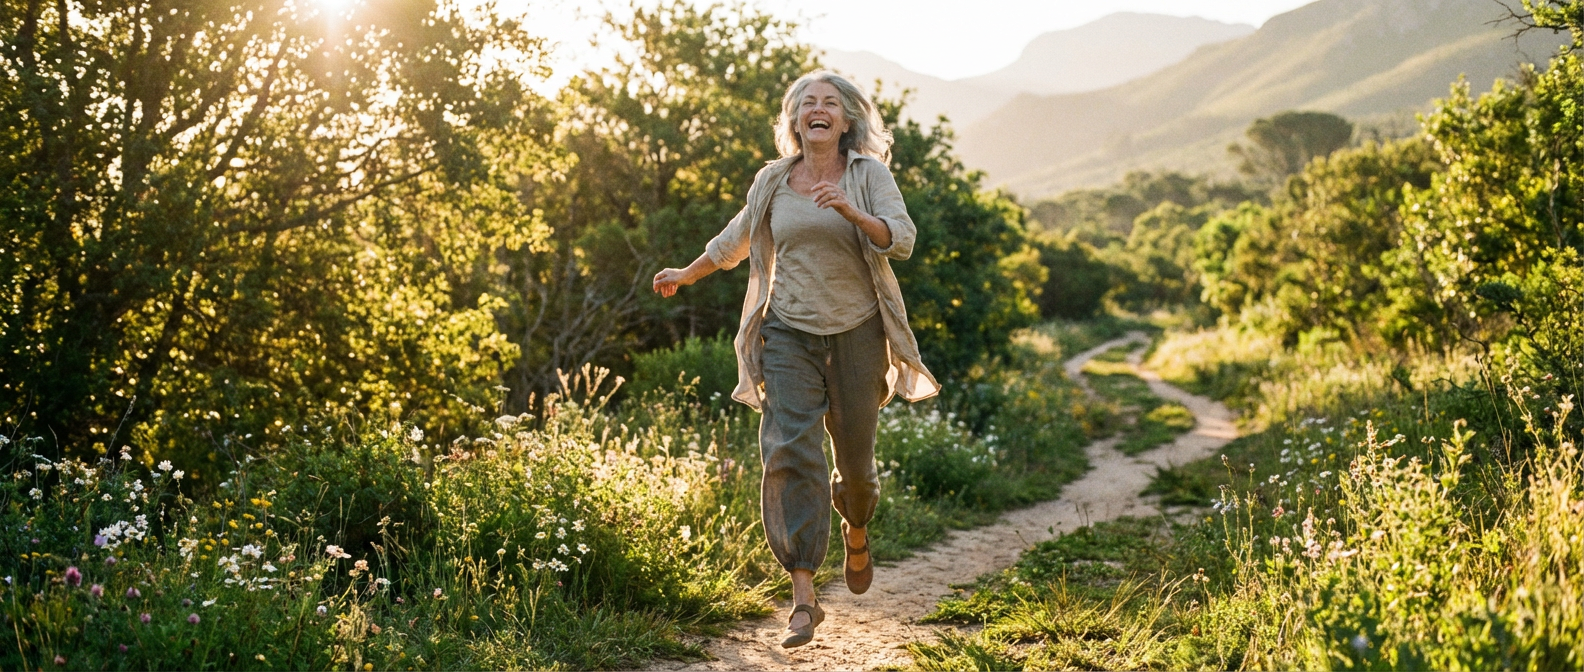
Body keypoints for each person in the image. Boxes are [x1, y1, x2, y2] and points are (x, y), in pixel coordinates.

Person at [652, 70, 939, 648]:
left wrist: (852, 212)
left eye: (830, 102)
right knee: (788, 448)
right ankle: (803, 596)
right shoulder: (774, 181)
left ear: (847, 120)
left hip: (858, 334)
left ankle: (856, 526)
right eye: (807, 102)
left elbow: (901, 238)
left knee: (855, 466)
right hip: (786, 333)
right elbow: (733, 239)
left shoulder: (867, 175)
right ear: (794, 120)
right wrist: (686, 274)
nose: (818, 108)